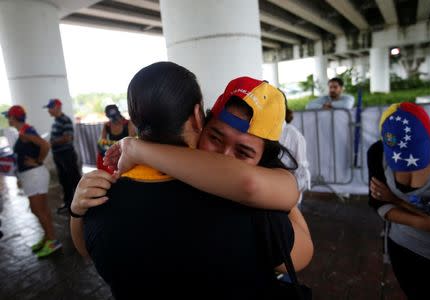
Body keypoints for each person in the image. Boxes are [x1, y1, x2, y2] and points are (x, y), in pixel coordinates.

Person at [70, 62, 313, 298]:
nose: (225, 158)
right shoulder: (252, 208)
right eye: (216, 138)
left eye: (243, 152)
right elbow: (302, 254)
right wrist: (274, 190)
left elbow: (86, 248)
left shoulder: (106, 197)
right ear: (199, 118)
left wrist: (77, 212)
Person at [367, 102, 430, 299]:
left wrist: (395, 199)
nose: (409, 162)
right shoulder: (377, 152)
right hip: (403, 249)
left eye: (416, 149)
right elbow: (378, 202)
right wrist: (427, 223)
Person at [2, 105, 62, 257]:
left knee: (38, 210)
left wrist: (38, 161)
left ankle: (53, 241)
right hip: (31, 175)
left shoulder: (26, 132)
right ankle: (48, 237)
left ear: (13, 118)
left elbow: (45, 145)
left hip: (35, 174)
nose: (7, 119)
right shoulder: (24, 131)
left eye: (8, 116)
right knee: (41, 209)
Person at [44, 98, 82, 213]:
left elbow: (67, 138)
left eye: (50, 108)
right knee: (64, 180)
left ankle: (84, 202)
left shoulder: (65, 120)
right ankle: (69, 203)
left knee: (74, 179)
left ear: (57, 107)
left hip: (67, 155)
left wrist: (51, 143)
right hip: (59, 155)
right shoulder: (56, 121)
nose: (49, 111)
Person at [280, 91, 310, 205]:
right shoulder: (256, 133)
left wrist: (292, 201)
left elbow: (301, 173)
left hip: (287, 200)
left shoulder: (293, 135)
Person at [96, 104, 136, 173]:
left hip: (126, 151)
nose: (114, 120)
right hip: (115, 151)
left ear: (119, 113)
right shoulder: (107, 125)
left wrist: (115, 145)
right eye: (111, 118)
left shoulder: (128, 123)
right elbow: (102, 141)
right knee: (101, 154)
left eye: (116, 117)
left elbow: (131, 141)